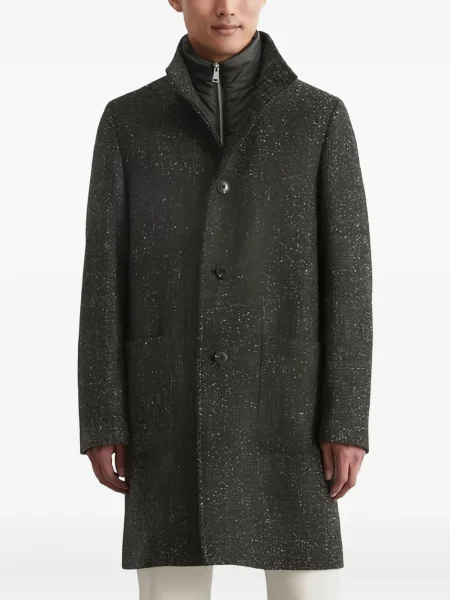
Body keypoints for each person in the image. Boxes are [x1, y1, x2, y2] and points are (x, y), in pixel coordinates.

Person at [77, 1, 373, 599]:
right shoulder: (129, 121)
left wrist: (346, 418)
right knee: (171, 588)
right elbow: (103, 277)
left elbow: (349, 279)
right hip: (167, 398)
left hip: (290, 406)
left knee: (306, 588)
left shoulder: (318, 118)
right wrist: (103, 416)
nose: (227, 7)